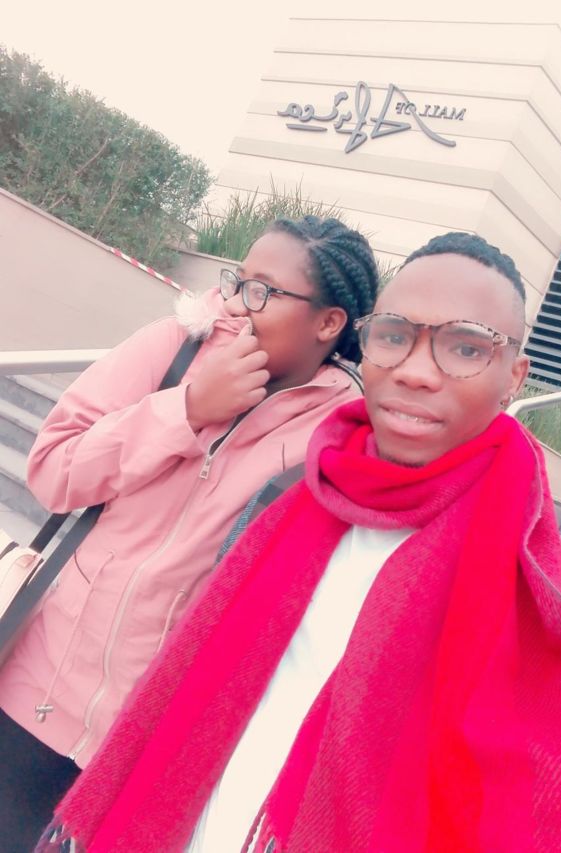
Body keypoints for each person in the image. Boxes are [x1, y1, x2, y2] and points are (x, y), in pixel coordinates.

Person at [37, 233, 561, 853]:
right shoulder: (288, 502)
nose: (415, 371)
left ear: (514, 376)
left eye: (465, 347)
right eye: (395, 336)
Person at [0, 215, 379, 851]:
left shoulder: (339, 435)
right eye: (238, 281)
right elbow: (53, 470)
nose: (237, 303)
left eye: (263, 291)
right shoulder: (176, 349)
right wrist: (187, 407)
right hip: (32, 691)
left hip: (150, 751)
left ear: (328, 322)